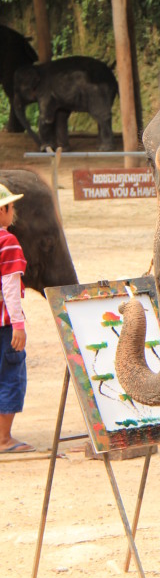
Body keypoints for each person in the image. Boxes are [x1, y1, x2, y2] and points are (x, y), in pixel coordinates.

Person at [0, 182, 33, 453]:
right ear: (2, 211)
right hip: (4, 326)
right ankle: (4, 439)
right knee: (10, 375)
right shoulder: (7, 243)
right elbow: (10, 286)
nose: (13, 212)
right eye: (11, 207)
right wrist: (18, 325)